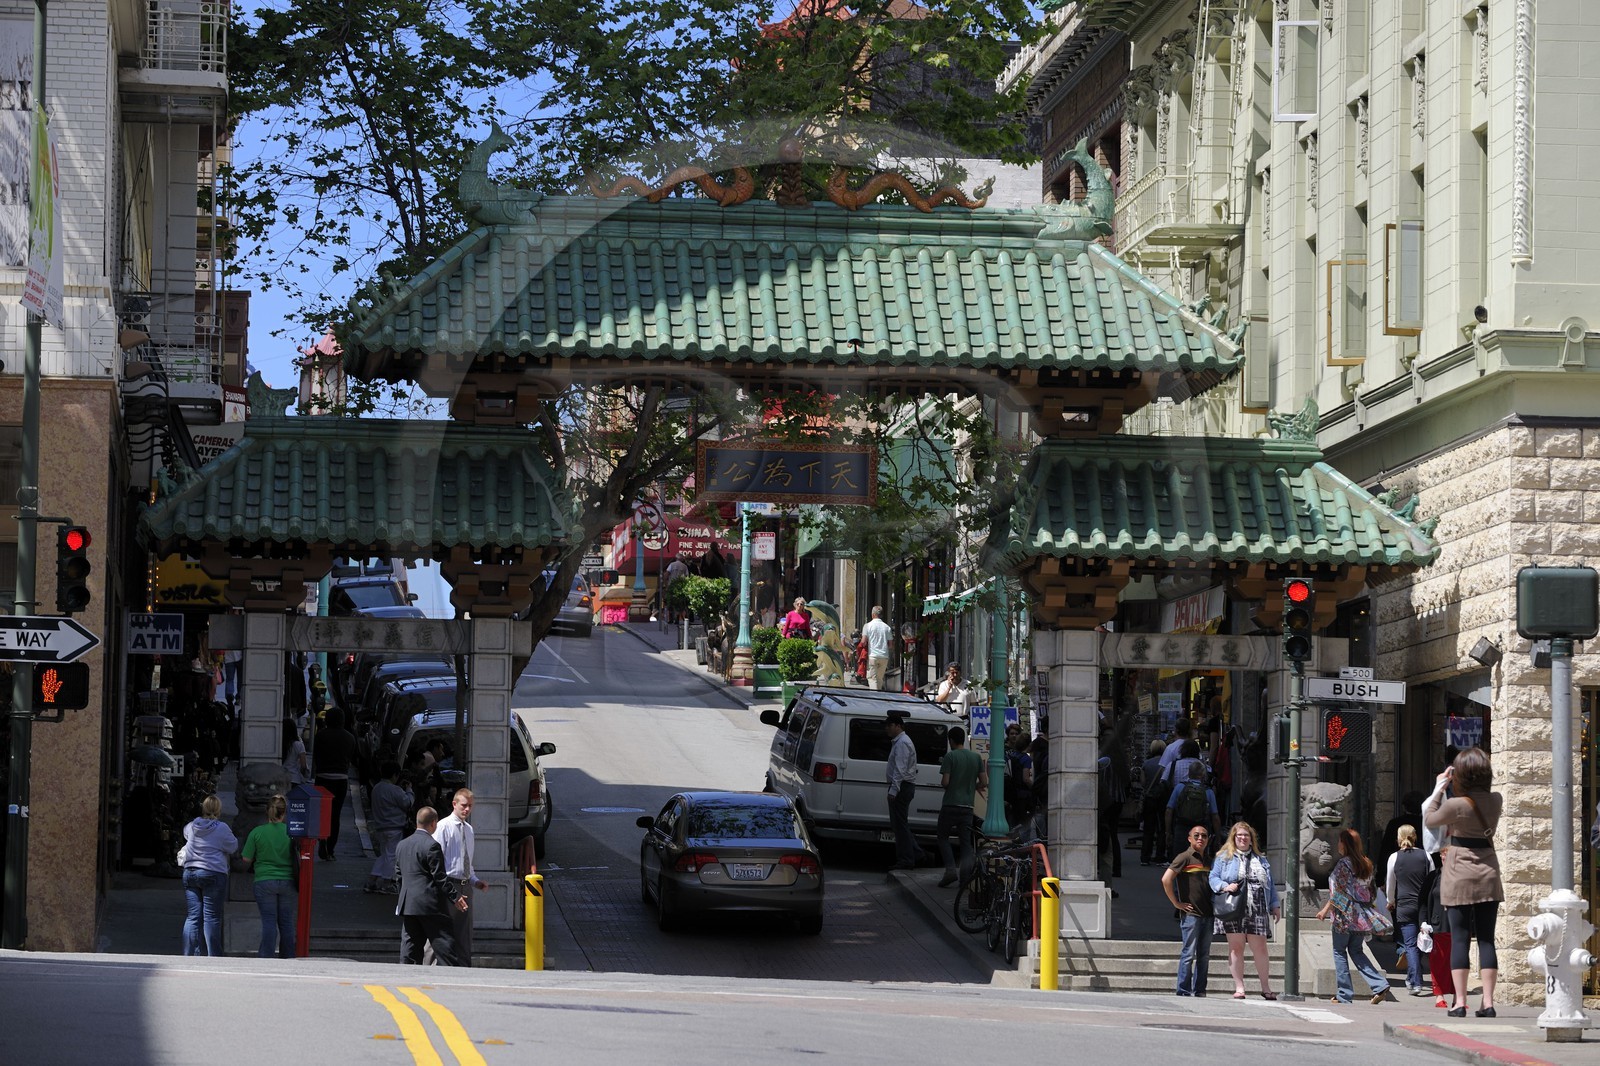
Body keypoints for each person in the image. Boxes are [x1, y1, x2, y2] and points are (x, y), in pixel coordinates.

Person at [1423, 746, 1504, 1018]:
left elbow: (1429, 818)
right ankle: (1489, 1002)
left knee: (1459, 939)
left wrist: (1439, 788)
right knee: (1486, 939)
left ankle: (1459, 1002)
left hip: (1459, 874)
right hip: (1488, 872)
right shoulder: (1496, 799)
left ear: (1461, 775)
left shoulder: (1456, 804)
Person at [1315, 828, 1395, 1004]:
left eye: (1340, 841)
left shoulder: (1343, 864)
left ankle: (1344, 994)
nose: (1338, 844)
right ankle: (1380, 985)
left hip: (1344, 916)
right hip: (1361, 917)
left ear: (1345, 843)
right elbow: (1372, 892)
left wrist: (1325, 910)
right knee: (1356, 951)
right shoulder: (1366, 863)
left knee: (1339, 952)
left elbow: (1339, 892)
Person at [1210, 820, 1280, 1000]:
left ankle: (1265, 987)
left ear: (1251, 839)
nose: (1242, 838)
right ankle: (1239, 987)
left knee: (1261, 948)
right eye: (1239, 835)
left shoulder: (1261, 859)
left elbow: (1270, 885)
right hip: (1234, 906)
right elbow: (1213, 878)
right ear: (1233, 837)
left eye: (1246, 835)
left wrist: (1275, 905)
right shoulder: (1223, 857)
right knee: (1235, 948)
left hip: (1258, 906)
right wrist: (1225, 886)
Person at [395, 806, 467, 965]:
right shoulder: (432, 846)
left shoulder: (402, 845)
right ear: (434, 823)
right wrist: (456, 896)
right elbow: (439, 877)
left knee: (410, 947)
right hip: (430, 905)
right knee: (444, 944)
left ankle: (405, 978)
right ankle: (451, 976)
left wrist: (403, 898)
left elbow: (399, 876)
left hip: (409, 904)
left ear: (417, 822)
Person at [429, 788, 488, 966]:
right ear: (454, 804)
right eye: (464, 805)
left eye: (470, 806)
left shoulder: (469, 830)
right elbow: (435, 861)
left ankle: (463, 969)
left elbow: (467, 863)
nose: (467, 810)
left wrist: (476, 882)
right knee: (439, 929)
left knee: (464, 933)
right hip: (447, 884)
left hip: (465, 885)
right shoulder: (443, 827)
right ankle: (429, 968)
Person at [179, 794, 238, 956]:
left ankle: (190, 954)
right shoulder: (222, 828)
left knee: (192, 917)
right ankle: (214, 956)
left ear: (203, 808)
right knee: (211, 917)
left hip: (190, 872)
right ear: (219, 810)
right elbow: (233, 847)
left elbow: (186, 836)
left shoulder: (190, 826)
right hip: (213, 873)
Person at [240, 793, 296, 959]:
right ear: (284, 813)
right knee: (286, 922)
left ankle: (266, 956)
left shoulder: (257, 832)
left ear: (267, 812)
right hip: (288, 881)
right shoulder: (292, 833)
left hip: (264, 880)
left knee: (269, 921)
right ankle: (288, 956)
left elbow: (246, 858)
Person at [1162, 824, 1214, 997]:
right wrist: (1176, 903)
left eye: (1204, 836)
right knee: (1188, 954)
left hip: (1208, 914)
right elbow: (1166, 879)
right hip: (1191, 915)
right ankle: (1183, 990)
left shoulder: (1208, 860)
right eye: (1197, 835)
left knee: (1204, 956)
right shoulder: (1184, 857)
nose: (1200, 839)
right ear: (1189, 838)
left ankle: (1200, 990)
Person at [935, 726, 986, 887]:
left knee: (943, 837)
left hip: (950, 804)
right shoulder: (975, 757)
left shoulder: (950, 757)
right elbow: (984, 782)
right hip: (967, 807)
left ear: (951, 740)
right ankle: (965, 879)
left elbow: (945, 782)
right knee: (965, 843)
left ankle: (950, 870)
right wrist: (972, 786)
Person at [1386, 824, 1433, 996]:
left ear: (1399, 838)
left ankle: (1415, 981)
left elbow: (1391, 884)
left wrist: (1390, 901)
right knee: (1420, 943)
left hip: (1404, 905)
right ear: (1415, 837)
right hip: (1423, 907)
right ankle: (1413, 977)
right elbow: (1432, 879)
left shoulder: (1394, 858)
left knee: (1411, 945)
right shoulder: (1426, 856)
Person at [313, 709, 360, 861]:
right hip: (340, 778)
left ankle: (322, 839)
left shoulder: (321, 735)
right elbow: (353, 758)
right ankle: (331, 849)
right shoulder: (350, 738)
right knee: (335, 815)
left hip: (322, 777)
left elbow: (316, 756)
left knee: (322, 813)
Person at [1165, 740, 1219, 858]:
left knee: (1180, 861)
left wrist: (1168, 832)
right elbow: (1215, 816)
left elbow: (1169, 810)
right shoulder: (1208, 791)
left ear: (1189, 774)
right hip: (1201, 829)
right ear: (1203, 775)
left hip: (1181, 828)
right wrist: (1218, 836)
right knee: (1199, 861)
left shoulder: (1179, 787)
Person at [366, 760, 412, 894]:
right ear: (395, 775)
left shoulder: (376, 788)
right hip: (394, 827)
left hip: (380, 826)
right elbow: (407, 803)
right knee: (391, 855)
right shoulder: (395, 790)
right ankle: (386, 883)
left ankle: (371, 880)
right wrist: (409, 791)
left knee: (384, 855)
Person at [884, 713, 919, 871]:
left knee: (900, 825)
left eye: (890, 726)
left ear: (898, 726)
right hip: (901, 786)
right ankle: (916, 854)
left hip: (902, 787)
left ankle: (906, 858)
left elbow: (900, 769)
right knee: (899, 824)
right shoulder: (900, 742)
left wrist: (894, 789)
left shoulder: (903, 743)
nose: (888, 729)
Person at [1139, 738, 1169, 866]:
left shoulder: (1146, 764)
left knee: (1148, 828)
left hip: (1150, 798)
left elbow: (1143, 783)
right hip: (1163, 798)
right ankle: (1160, 855)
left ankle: (1145, 856)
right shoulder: (1168, 764)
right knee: (1162, 828)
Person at [861, 606, 892, 690]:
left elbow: (863, 642)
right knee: (879, 679)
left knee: (872, 679)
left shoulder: (867, 626)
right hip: (884, 656)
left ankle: (875, 697)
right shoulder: (887, 627)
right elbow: (890, 645)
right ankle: (879, 697)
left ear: (873, 615)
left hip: (873, 656)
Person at [282, 718, 308, 786]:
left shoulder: (278, 744)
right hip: (294, 779)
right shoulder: (299, 745)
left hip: (279, 779)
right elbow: (303, 766)